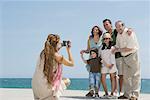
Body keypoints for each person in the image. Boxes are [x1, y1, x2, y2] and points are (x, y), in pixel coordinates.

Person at [32, 34, 74, 100]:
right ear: (56, 44)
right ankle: (51, 96)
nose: (60, 44)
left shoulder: (43, 53)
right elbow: (72, 64)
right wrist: (68, 50)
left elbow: (53, 49)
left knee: (56, 79)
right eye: (59, 43)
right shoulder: (57, 56)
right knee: (67, 81)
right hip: (45, 89)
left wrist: (61, 45)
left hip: (36, 87)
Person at [103, 19, 133, 95]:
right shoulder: (105, 34)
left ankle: (121, 91)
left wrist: (130, 29)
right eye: (104, 25)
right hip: (110, 57)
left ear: (110, 24)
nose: (105, 26)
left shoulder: (116, 31)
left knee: (120, 74)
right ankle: (114, 91)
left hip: (118, 56)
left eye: (107, 24)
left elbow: (124, 30)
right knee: (112, 75)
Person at [113, 20, 140, 100]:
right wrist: (113, 48)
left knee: (135, 75)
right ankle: (126, 94)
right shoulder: (118, 34)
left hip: (133, 55)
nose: (118, 28)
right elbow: (117, 45)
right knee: (126, 77)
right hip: (124, 57)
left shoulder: (129, 33)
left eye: (119, 26)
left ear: (123, 26)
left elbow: (130, 48)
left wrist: (117, 50)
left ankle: (135, 95)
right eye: (117, 27)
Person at [99, 33, 118, 99]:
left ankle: (112, 93)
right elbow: (100, 56)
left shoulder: (113, 48)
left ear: (110, 39)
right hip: (104, 65)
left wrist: (111, 65)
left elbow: (113, 57)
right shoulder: (101, 47)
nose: (105, 40)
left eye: (107, 38)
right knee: (102, 78)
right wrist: (104, 63)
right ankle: (106, 93)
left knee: (112, 78)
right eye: (104, 39)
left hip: (112, 65)